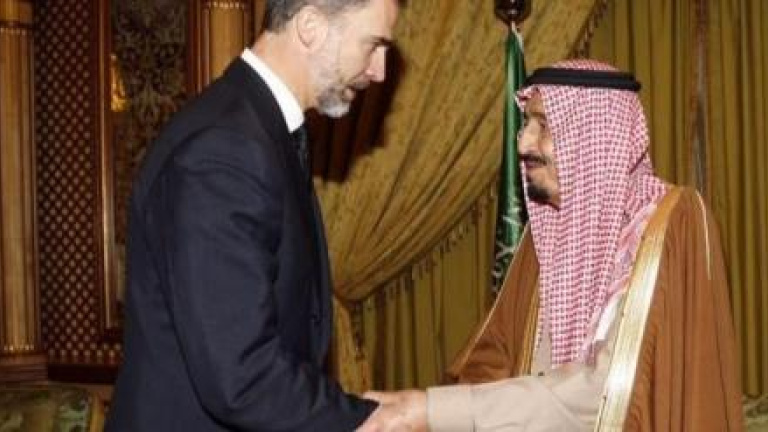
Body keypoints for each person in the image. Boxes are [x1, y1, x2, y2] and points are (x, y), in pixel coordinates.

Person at [359, 59, 743, 431]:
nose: (523, 143)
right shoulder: (545, 232)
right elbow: (496, 358)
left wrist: (434, 410)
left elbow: (612, 391)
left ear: (593, 137)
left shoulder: (667, 228)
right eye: (526, 124)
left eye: (543, 126)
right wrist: (429, 410)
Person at [106, 0, 403, 430]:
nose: (379, 71)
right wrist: (373, 421)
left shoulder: (258, 129)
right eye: (372, 44)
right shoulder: (224, 149)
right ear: (310, 26)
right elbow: (242, 376)